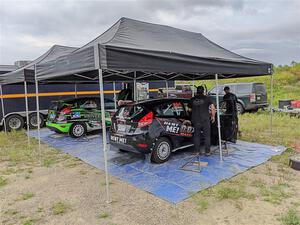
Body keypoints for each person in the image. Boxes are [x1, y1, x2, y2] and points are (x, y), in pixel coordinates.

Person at [188, 86, 216, 156]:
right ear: (203, 91)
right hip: (205, 120)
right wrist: (213, 116)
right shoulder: (207, 98)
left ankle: (197, 152)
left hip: (195, 120)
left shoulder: (192, 99)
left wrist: (194, 110)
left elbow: (188, 109)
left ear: (197, 91)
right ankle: (207, 152)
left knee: (196, 136)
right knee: (207, 136)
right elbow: (213, 108)